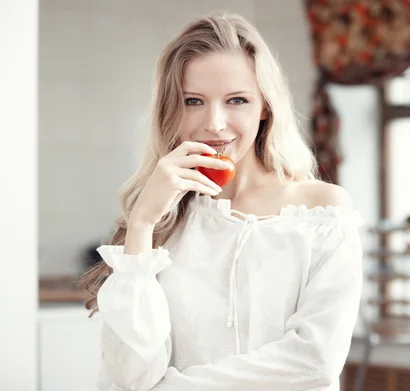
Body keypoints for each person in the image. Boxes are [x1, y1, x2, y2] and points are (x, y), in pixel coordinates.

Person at [80, 11, 364, 391]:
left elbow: (314, 362)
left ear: (265, 106)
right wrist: (142, 223)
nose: (214, 123)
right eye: (193, 100)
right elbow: (129, 377)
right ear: (172, 109)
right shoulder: (162, 219)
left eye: (236, 100)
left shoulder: (322, 211)